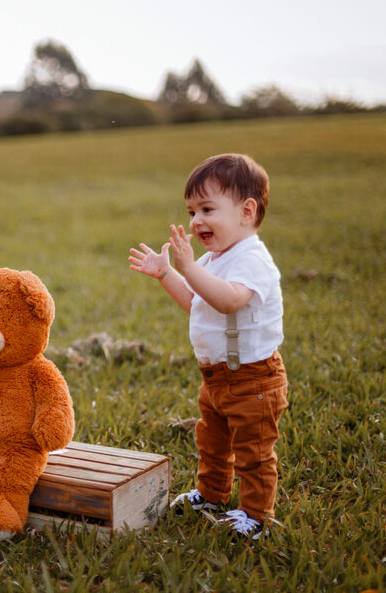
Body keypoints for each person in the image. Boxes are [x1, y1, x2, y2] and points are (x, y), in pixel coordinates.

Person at [129, 153, 287, 541]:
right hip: (216, 378)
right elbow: (197, 301)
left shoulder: (252, 259)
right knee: (212, 442)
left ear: (246, 211)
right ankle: (212, 493)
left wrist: (189, 268)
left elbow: (229, 300)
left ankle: (255, 514)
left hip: (253, 380)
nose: (196, 220)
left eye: (207, 208)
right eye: (191, 211)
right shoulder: (216, 258)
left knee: (253, 451)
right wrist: (167, 273)